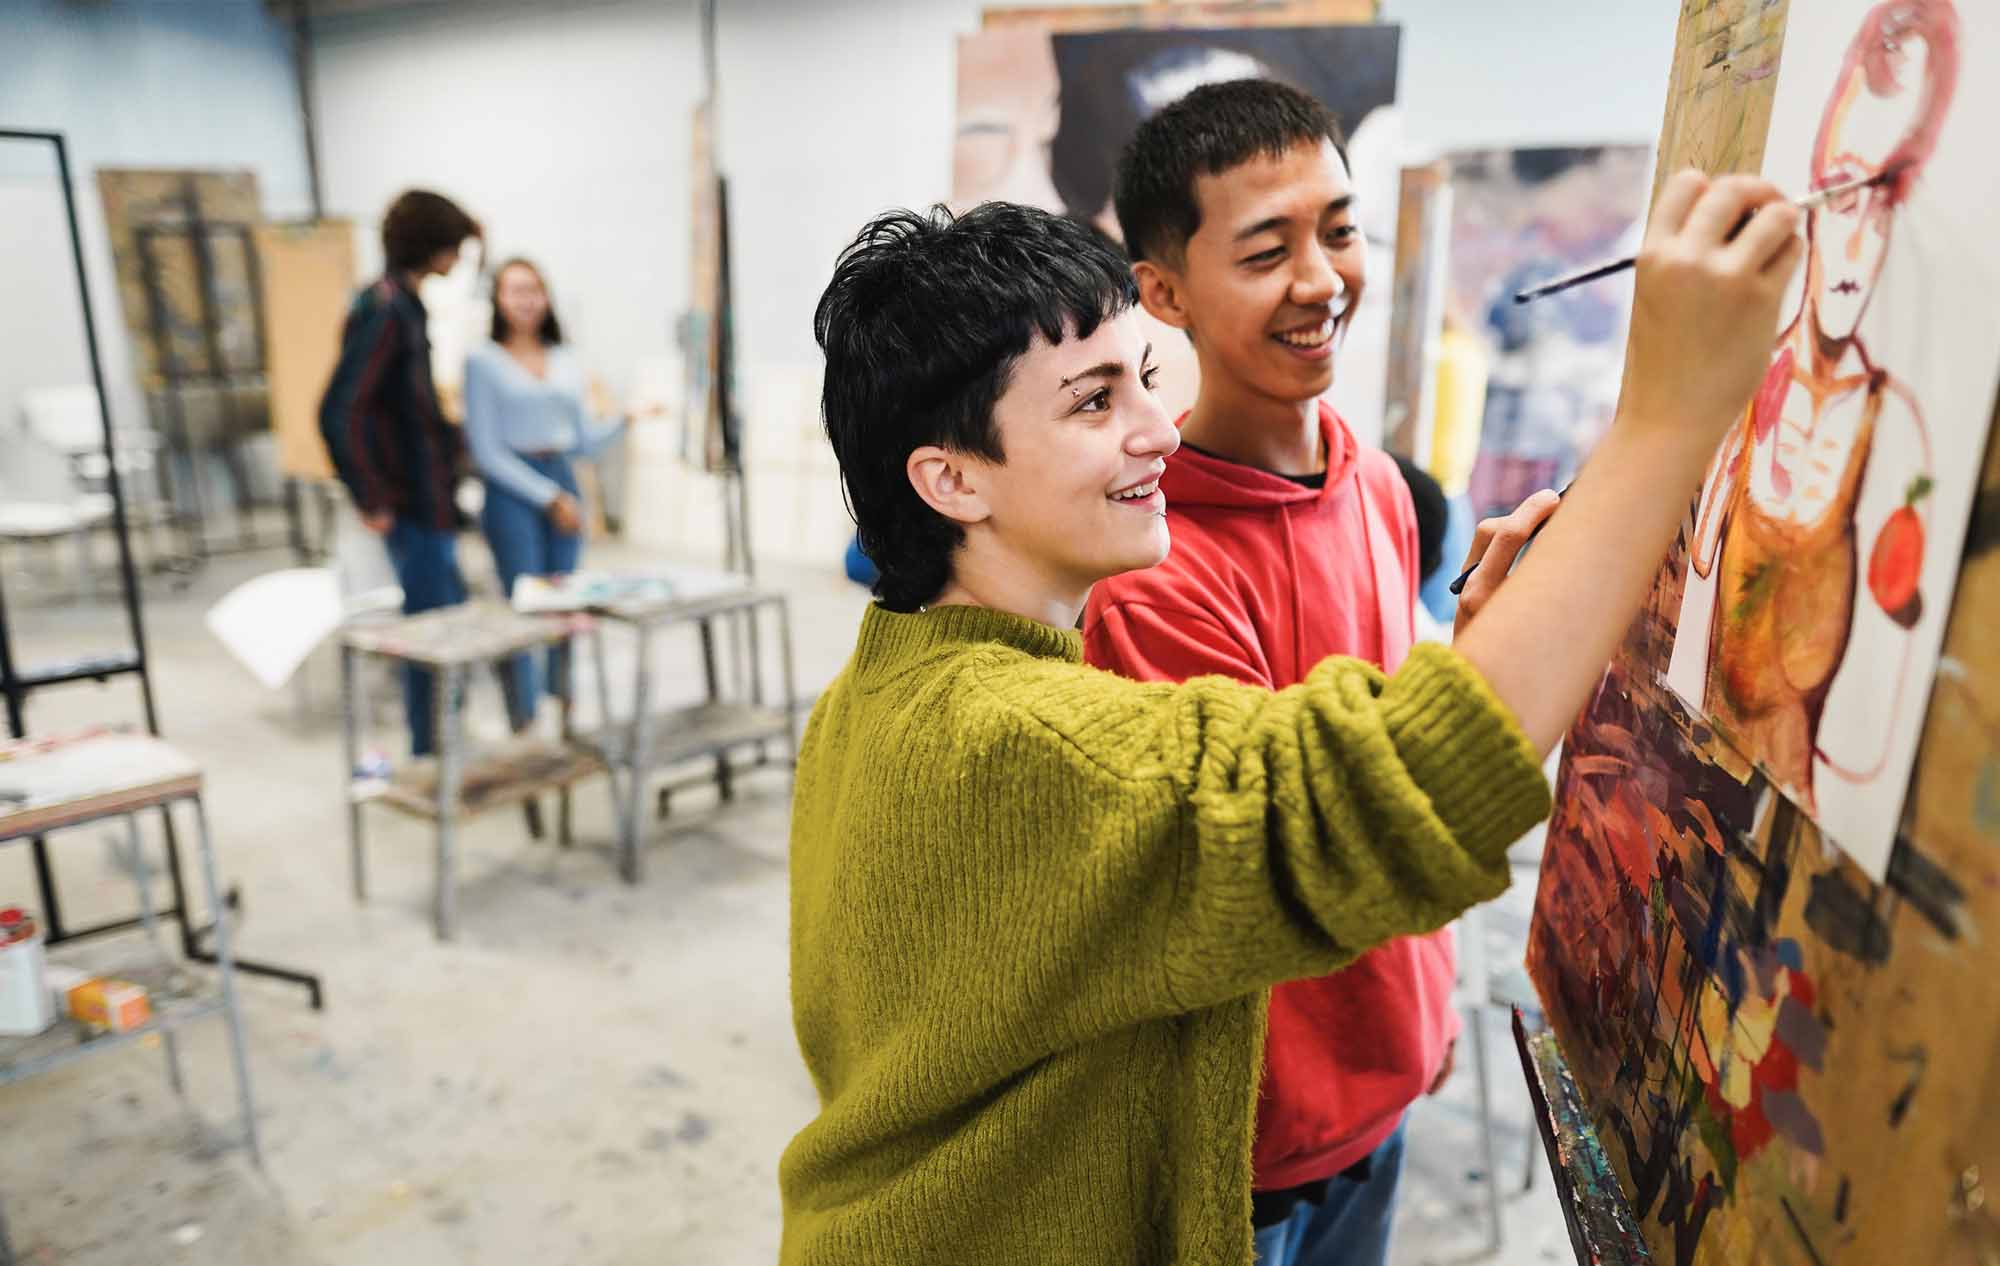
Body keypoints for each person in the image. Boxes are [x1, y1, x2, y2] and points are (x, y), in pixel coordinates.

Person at [782, 172, 1801, 1264]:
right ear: (950, 480)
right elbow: (1375, 793)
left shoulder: (890, 686)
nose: (1156, 434)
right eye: (1091, 402)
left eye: (1139, 380)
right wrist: (1665, 415)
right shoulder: (1024, 738)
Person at [1082, 81, 1449, 1265]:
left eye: (1337, 230)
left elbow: (1382, 744)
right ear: (1164, 293)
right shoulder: (1154, 569)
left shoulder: (1380, 487)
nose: (1320, 279)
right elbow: (1291, 851)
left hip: (1385, 1092)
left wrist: (1424, 1002)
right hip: (1254, 1151)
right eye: (1264, 250)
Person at [1679, 0, 1954, 807]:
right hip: (1700, 792)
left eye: (1883, 200)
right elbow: (1693, 632)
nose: (1857, 243)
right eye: (1840, 192)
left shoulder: (1896, 427)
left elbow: (1875, 751)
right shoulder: (1739, 388)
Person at [319, 189, 481, 757]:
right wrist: (372, 495)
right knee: (429, 636)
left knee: (446, 624)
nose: (460, 258)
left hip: (431, 500)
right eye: (455, 245)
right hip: (412, 505)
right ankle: (431, 748)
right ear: (432, 243)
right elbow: (340, 409)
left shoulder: (404, 305)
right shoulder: (386, 309)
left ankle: (442, 741)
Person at [463, 257, 627, 733]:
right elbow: (486, 451)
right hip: (513, 489)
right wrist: (546, 497)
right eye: (514, 290)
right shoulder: (482, 361)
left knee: (565, 604)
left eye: (533, 289)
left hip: (563, 479)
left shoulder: (565, 359)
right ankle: (524, 719)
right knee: (525, 606)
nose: (525, 300)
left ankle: (565, 709)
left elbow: (581, 442)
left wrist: (625, 418)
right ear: (497, 298)